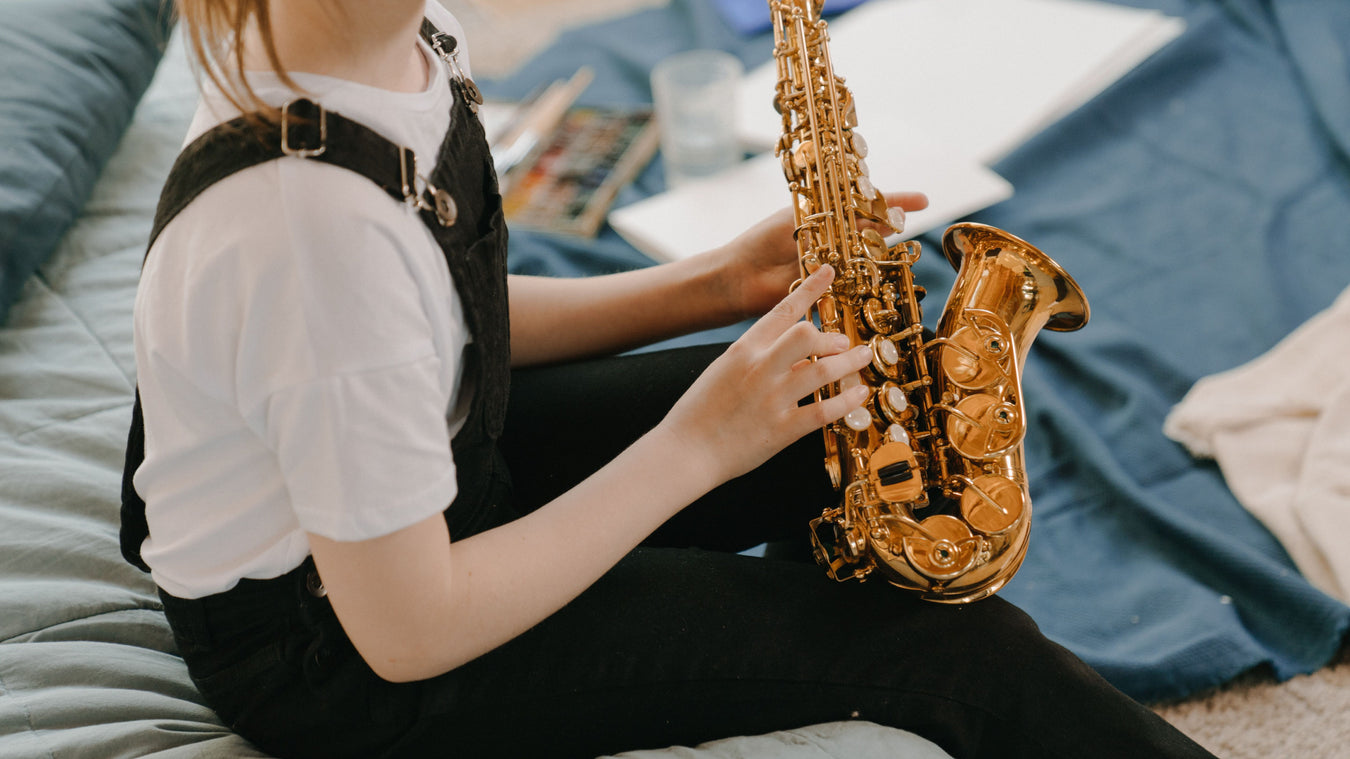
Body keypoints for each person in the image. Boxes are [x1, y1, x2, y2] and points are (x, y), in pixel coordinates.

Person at [122, 1, 1220, 758]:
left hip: (426, 493)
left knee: (835, 408)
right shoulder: (307, 234)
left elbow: (443, 323)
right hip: (340, 653)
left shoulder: (392, 40)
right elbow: (410, 632)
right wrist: (695, 447)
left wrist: (702, 286)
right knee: (957, 660)